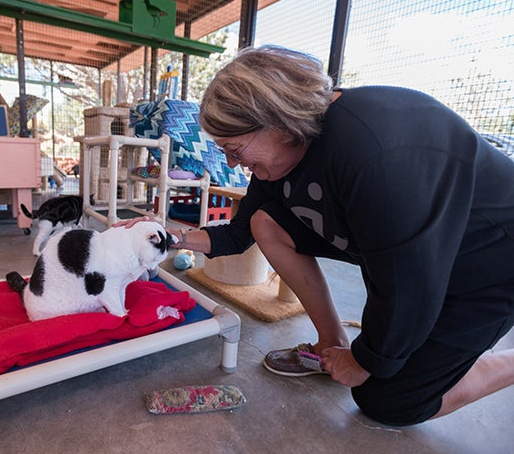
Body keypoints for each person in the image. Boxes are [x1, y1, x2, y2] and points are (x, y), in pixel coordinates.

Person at [117, 45, 514, 426]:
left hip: (488, 268)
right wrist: (169, 238)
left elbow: (410, 281)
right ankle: (330, 342)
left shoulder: (375, 151)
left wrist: (366, 360)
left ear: (277, 120)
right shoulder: (283, 154)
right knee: (265, 222)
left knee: (388, 399)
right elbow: (240, 235)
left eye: (235, 149)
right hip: (414, 262)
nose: (232, 164)